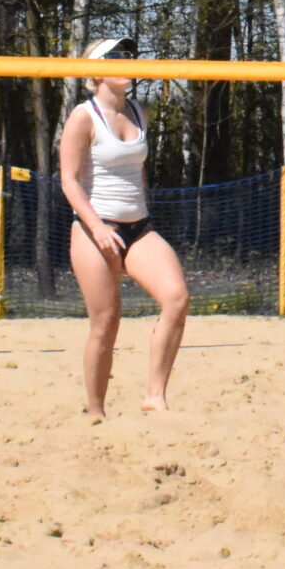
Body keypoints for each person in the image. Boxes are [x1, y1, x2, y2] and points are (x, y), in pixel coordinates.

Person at [60, 36, 189, 419]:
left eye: (129, 55)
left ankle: (155, 395)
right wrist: (97, 227)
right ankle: (96, 412)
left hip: (138, 227)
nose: (127, 61)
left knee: (177, 298)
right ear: (97, 71)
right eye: (116, 56)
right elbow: (68, 180)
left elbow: (137, 170)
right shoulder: (84, 116)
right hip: (95, 229)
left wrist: (141, 207)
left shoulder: (136, 110)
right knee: (106, 323)